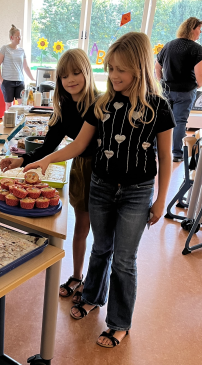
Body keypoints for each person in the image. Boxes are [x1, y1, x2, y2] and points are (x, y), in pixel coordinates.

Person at [24, 32, 175, 349]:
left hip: (137, 192)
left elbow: (165, 157)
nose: (114, 76)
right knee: (101, 248)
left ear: (139, 67)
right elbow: (79, 144)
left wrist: (161, 200)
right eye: (110, 69)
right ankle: (92, 297)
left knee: (124, 260)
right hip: (101, 186)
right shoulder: (102, 103)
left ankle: (119, 323)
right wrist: (46, 160)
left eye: (121, 69)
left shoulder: (159, 107)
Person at [0, 48, 98, 303]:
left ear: (87, 72)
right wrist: (20, 160)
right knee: (81, 226)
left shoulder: (100, 103)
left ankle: (95, 286)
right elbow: (47, 147)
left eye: (76, 73)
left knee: (103, 235)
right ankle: (77, 275)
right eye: (64, 76)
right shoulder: (64, 108)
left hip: (105, 173)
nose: (71, 80)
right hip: (81, 169)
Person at [155, 17, 202, 162]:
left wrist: (161, 82)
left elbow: (157, 66)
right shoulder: (197, 49)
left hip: (166, 90)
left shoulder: (169, 45)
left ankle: (155, 149)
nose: (200, 32)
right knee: (180, 122)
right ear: (192, 29)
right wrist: (199, 84)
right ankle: (176, 153)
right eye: (199, 29)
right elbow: (199, 73)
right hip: (185, 92)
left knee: (162, 120)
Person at [0, 24, 35, 110]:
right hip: (7, 81)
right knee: (9, 105)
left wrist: (33, 79)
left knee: (22, 104)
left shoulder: (22, 51)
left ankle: (20, 119)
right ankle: (8, 119)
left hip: (20, 81)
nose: (19, 38)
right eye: (17, 36)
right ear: (11, 37)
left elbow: (26, 67)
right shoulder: (4, 49)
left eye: (20, 36)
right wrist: (1, 79)